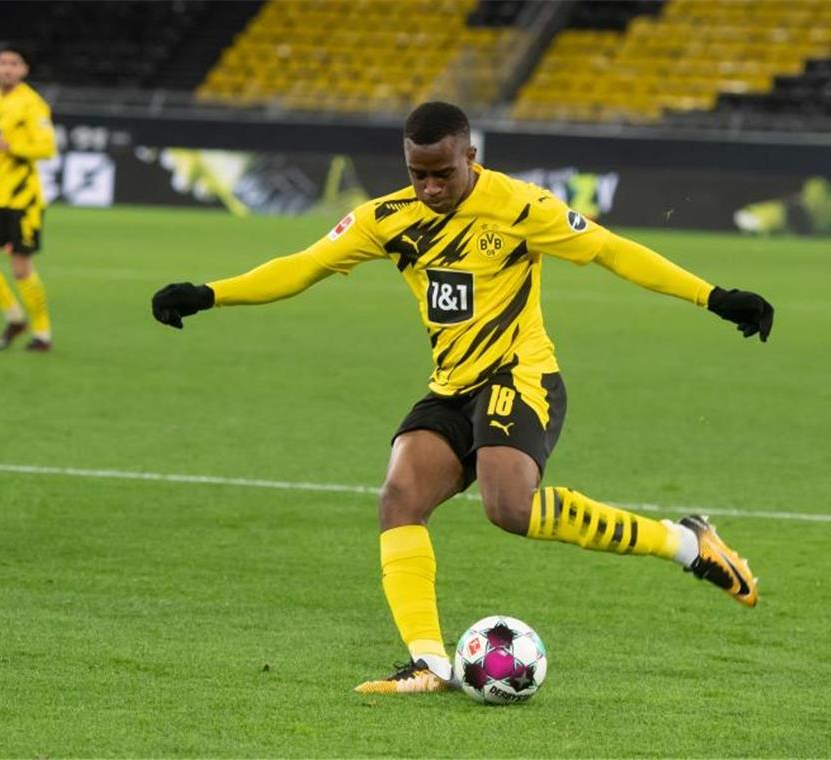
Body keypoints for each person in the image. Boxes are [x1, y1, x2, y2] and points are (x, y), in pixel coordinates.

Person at [152, 102, 774, 695]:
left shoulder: (520, 207)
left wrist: (713, 297)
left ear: (470, 155)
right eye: (417, 175)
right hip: (451, 387)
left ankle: (686, 544)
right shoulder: (387, 218)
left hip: (520, 374)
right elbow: (304, 265)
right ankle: (428, 663)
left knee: (509, 508)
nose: (429, 188)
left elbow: (612, 250)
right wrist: (209, 294)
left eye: (443, 173)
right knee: (400, 500)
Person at [0, 42, 57, 351]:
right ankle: (14, 318)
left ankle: (42, 333)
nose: (8, 68)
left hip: (23, 199)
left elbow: (46, 148)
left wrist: (12, 147)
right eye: (2, 62)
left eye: (14, 63)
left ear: (24, 69)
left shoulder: (32, 104)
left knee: (20, 268)